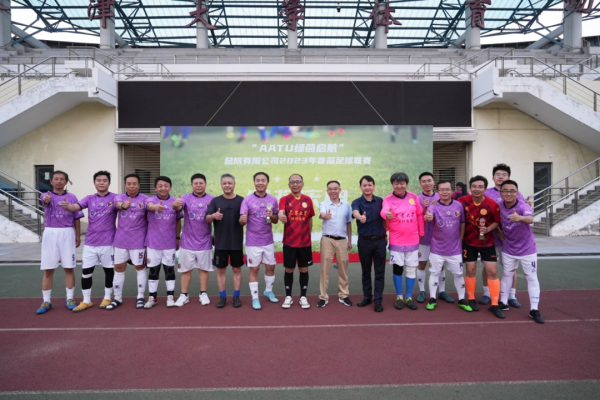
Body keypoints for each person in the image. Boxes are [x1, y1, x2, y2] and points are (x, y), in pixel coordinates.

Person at [62, 171, 117, 312]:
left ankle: (107, 297)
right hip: (90, 243)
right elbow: (74, 207)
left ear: (109, 183)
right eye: (98, 180)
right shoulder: (89, 198)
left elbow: (122, 206)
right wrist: (67, 206)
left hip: (108, 242)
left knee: (109, 271)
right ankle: (86, 300)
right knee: (86, 272)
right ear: (94, 183)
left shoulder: (115, 198)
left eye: (104, 180)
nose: (101, 182)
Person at [481, 163, 533, 308]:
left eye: (504, 174)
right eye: (498, 174)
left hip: (509, 240)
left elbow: (523, 211)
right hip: (491, 238)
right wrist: (497, 231)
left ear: (509, 177)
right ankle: (487, 293)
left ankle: (511, 295)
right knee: (488, 267)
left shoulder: (517, 193)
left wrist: (528, 206)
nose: (501, 177)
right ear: (493, 177)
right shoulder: (487, 193)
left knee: (509, 269)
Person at [36, 171, 83, 314]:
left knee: (69, 268)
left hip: (67, 232)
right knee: (48, 270)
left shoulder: (72, 197)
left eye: (62, 179)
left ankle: (70, 298)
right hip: (51, 233)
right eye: (56, 179)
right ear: (51, 181)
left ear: (66, 182)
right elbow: (44, 200)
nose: (59, 181)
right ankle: (46, 301)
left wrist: (77, 235)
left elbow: (76, 217)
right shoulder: (46, 195)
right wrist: (46, 199)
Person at [498, 180, 544, 323]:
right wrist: (500, 233)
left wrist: (520, 218)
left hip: (527, 249)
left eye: (512, 191)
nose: (509, 193)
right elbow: (495, 222)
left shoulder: (523, 205)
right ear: (501, 193)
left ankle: (534, 309)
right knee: (507, 274)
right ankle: (503, 302)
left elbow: (530, 219)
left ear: (517, 193)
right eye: (505, 191)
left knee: (531, 277)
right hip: (508, 248)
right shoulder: (498, 206)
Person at [458, 175, 505, 319]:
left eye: (480, 187)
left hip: (487, 243)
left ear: (485, 189)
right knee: (470, 270)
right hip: (469, 243)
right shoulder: (462, 201)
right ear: (470, 188)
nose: (477, 189)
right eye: (474, 186)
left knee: (492, 272)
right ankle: (471, 299)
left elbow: (496, 222)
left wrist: (488, 229)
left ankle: (495, 304)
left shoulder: (492, 204)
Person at [423, 181, 472, 312]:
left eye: (447, 189)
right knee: (434, 273)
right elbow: (427, 217)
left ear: (452, 191)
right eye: (442, 189)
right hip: (437, 248)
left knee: (458, 274)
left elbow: (462, 222)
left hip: (455, 248)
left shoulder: (458, 205)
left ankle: (461, 299)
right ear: (437, 192)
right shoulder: (433, 205)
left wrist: (461, 239)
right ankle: (432, 298)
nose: (444, 192)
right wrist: (428, 217)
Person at [381, 172, 424, 310]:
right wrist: (386, 214)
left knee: (411, 269)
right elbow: (384, 211)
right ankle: (399, 297)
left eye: (402, 183)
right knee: (398, 268)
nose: (399, 186)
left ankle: (409, 297)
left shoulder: (413, 197)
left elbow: (419, 215)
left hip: (412, 239)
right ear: (392, 184)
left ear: (406, 184)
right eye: (396, 183)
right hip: (396, 240)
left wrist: (421, 232)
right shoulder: (388, 199)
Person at [172, 173, 214, 307]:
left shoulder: (212, 199)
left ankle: (203, 293)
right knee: (185, 270)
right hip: (187, 242)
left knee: (204, 270)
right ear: (191, 185)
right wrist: (176, 205)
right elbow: (177, 207)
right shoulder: (185, 198)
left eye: (201, 183)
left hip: (205, 241)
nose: (198, 186)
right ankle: (184, 295)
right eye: (196, 183)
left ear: (205, 184)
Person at [108, 173, 149, 310]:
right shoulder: (119, 197)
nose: (131, 186)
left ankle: (140, 297)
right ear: (125, 185)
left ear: (139, 185)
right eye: (129, 183)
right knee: (119, 268)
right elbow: (118, 204)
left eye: (134, 183)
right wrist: (124, 206)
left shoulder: (146, 199)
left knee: (140, 267)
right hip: (121, 240)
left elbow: (150, 212)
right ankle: (117, 298)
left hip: (138, 240)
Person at [239, 172, 279, 310]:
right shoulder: (247, 200)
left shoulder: (273, 199)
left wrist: (271, 216)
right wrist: (242, 220)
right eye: (258, 180)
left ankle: (268, 291)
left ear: (267, 183)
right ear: (254, 182)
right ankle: (255, 297)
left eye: (263, 180)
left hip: (268, 240)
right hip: (253, 241)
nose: (260, 183)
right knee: (254, 269)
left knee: (271, 267)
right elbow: (241, 221)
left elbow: (275, 220)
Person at [143, 176, 183, 309]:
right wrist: (155, 207)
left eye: (166, 186)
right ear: (155, 188)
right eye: (160, 186)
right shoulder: (150, 200)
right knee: (153, 270)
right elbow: (149, 206)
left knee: (169, 270)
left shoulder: (175, 202)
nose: (163, 188)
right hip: (153, 242)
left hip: (169, 243)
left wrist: (177, 238)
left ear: (170, 187)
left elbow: (178, 221)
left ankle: (170, 297)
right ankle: (152, 297)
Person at [206, 173, 245, 308]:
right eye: (224, 183)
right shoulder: (215, 201)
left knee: (237, 270)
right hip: (220, 243)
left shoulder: (242, 200)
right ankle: (222, 297)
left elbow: (245, 219)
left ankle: (236, 296)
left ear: (234, 184)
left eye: (229, 183)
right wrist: (213, 215)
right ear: (221, 185)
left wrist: (243, 220)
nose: (227, 185)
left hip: (236, 242)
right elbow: (207, 218)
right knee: (221, 271)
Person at [278, 173, 315, 309]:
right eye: (292, 182)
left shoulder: (308, 200)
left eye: (298, 182)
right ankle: (288, 296)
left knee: (304, 269)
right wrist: (281, 216)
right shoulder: (284, 200)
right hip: (289, 242)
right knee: (289, 269)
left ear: (302, 184)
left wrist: (309, 235)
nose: (295, 184)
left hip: (305, 242)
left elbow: (310, 218)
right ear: (289, 185)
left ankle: (303, 297)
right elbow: (281, 212)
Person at [416, 172, 453, 304]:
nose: (427, 183)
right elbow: (416, 217)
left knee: (440, 265)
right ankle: (422, 291)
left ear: (433, 182)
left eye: (429, 180)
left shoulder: (440, 196)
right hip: (423, 238)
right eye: (424, 181)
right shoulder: (417, 199)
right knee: (422, 264)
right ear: (420, 184)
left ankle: (442, 291)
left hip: (439, 239)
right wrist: (425, 208)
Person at [352, 175, 387, 312]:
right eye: (364, 185)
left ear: (374, 186)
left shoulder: (381, 201)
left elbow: (385, 217)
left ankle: (378, 300)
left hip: (380, 241)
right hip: (364, 242)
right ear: (361, 187)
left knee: (379, 272)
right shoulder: (357, 202)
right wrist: (360, 217)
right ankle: (367, 296)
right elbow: (355, 212)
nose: (367, 187)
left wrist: (386, 234)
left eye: (370, 185)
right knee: (366, 271)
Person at [318, 180, 353, 307]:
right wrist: (325, 216)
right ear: (327, 191)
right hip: (327, 239)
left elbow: (349, 223)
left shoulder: (346, 205)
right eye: (330, 189)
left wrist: (350, 240)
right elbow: (322, 214)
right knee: (325, 268)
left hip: (342, 240)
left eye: (335, 188)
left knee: (343, 268)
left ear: (340, 190)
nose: (333, 191)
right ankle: (323, 296)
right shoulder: (324, 204)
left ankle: (343, 295)